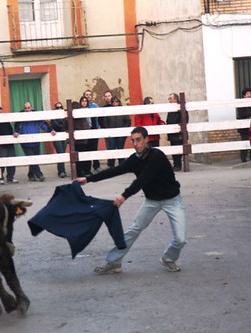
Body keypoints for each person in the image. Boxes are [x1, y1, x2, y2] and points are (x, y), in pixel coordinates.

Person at [74, 126, 187, 274]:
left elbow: (143, 179)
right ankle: (114, 262)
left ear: (146, 140)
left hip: (172, 200)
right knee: (133, 230)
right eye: (133, 141)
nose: (136, 144)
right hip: (151, 201)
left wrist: (124, 196)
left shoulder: (156, 156)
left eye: (139, 140)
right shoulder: (134, 160)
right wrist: (88, 179)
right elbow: (114, 171)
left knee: (180, 239)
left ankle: (169, 259)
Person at [13, 101, 56, 182]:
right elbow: (17, 126)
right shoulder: (20, 116)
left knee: (34, 159)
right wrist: (16, 132)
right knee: (32, 158)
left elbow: (43, 124)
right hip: (25, 142)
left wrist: (51, 130)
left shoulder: (36, 115)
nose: (27, 110)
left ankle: (31, 175)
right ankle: (39, 175)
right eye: (25, 108)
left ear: (31, 108)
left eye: (28, 108)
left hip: (36, 141)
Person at [103, 96, 131, 168]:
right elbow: (105, 122)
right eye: (114, 102)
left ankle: (122, 166)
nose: (115, 103)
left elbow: (128, 121)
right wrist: (109, 130)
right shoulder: (109, 111)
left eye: (116, 102)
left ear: (119, 102)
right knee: (111, 149)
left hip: (121, 134)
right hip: (111, 134)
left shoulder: (123, 110)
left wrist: (123, 130)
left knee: (120, 148)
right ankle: (110, 165)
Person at [0, 106, 18, 184]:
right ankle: (0, 177)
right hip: (0, 145)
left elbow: (10, 130)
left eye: (0, 111)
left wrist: (13, 134)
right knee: (1, 162)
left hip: (10, 144)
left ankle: (11, 177)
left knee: (11, 161)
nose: (0, 113)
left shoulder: (6, 120)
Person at [166, 93, 188, 171]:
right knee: (174, 149)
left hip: (178, 133)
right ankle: (176, 164)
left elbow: (185, 120)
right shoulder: (171, 109)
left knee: (178, 149)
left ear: (175, 99)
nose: (169, 100)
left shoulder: (180, 108)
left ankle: (178, 165)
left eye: (170, 99)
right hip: (172, 133)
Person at [70, 100, 91, 177]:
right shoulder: (82, 117)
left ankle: (78, 172)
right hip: (83, 140)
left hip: (75, 141)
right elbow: (87, 126)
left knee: (77, 157)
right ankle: (83, 171)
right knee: (83, 156)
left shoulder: (70, 118)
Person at [236, 88, 251, 163]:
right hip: (244, 127)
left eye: (250, 93)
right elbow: (241, 114)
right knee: (244, 140)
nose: (249, 95)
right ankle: (243, 157)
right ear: (244, 95)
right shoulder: (241, 103)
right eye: (247, 94)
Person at [83, 90, 101, 173]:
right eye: (86, 95)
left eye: (90, 95)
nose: (88, 96)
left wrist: (98, 126)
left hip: (94, 128)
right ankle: (87, 168)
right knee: (87, 148)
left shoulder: (95, 106)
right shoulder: (81, 106)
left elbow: (98, 117)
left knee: (94, 148)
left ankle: (96, 165)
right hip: (85, 130)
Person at [49, 101, 67, 178]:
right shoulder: (53, 118)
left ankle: (61, 170)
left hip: (64, 136)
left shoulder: (64, 116)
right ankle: (61, 171)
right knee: (60, 152)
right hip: (57, 137)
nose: (59, 109)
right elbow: (57, 126)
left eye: (60, 107)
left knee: (63, 153)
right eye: (57, 107)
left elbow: (66, 125)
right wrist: (62, 126)